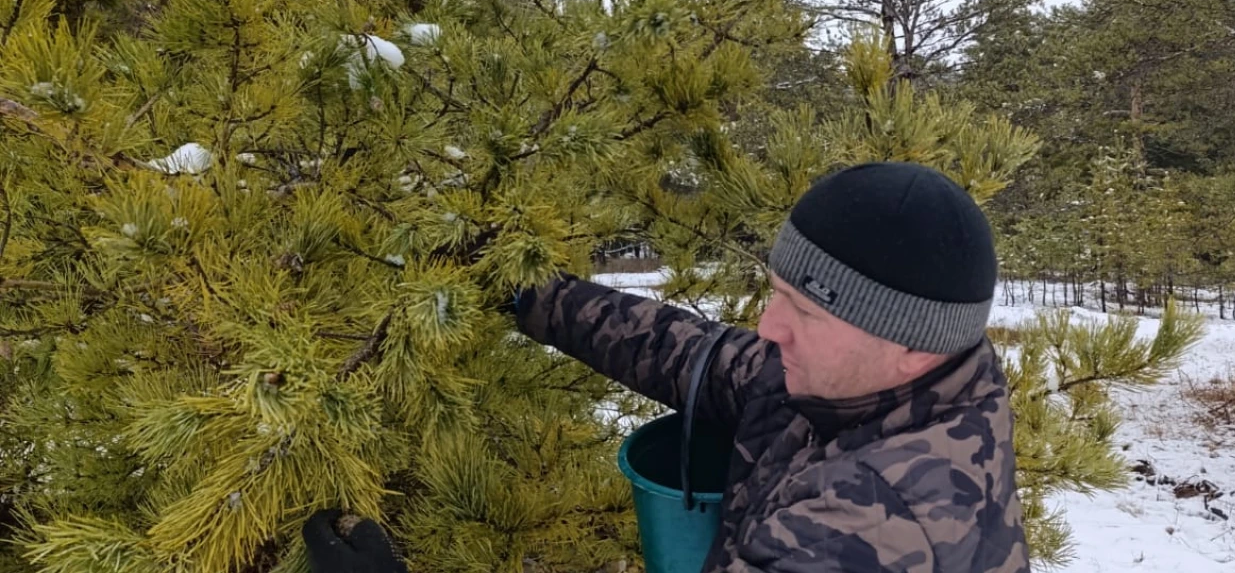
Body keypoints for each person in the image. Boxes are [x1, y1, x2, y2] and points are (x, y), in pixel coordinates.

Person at [304, 161, 1030, 572]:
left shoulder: (868, 531)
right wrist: (519, 286)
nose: (769, 327)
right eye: (777, 295)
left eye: (804, 314)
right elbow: (676, 347)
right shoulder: (866, 384)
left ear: (909, 340)